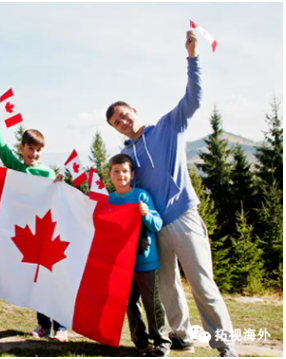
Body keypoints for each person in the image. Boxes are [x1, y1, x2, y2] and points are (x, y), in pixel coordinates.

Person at [104, 31, 237, 357]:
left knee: (203, 285)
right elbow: (120, 185)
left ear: (133, 110)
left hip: (184, 217)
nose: (122, 122)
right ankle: (181, 336)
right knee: (167, 288)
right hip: (155, 227)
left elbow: (194, 99)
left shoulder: (168, 125)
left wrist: (192, 56)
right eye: (116, 123)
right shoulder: (128, 156)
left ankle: (225, 345)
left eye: (123, 115)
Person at [0, 102, 68, 343]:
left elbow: (59, 200)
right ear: (22, 148)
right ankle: (43, 325)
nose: (34, 154)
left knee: (53, 280)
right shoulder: (16, 166)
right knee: (37, 282)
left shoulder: (47, 173)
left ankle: (61, 327)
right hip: (28, 235)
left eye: (38, 150)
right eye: (30, 149)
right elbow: (0, 147)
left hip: (48, 233)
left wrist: (59, 186)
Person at [107, 154, 171, 357]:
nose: (121, 175)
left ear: (132, 174)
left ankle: (161, 341)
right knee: (130, 303)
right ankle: (140, 341)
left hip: (145, 261)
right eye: (116, 171)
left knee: (151, 302)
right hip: (121, 264)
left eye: (124, 171)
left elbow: (157, 224)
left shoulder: (141, 196)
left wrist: (146, 214)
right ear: (110, 175)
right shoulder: (110, 199)